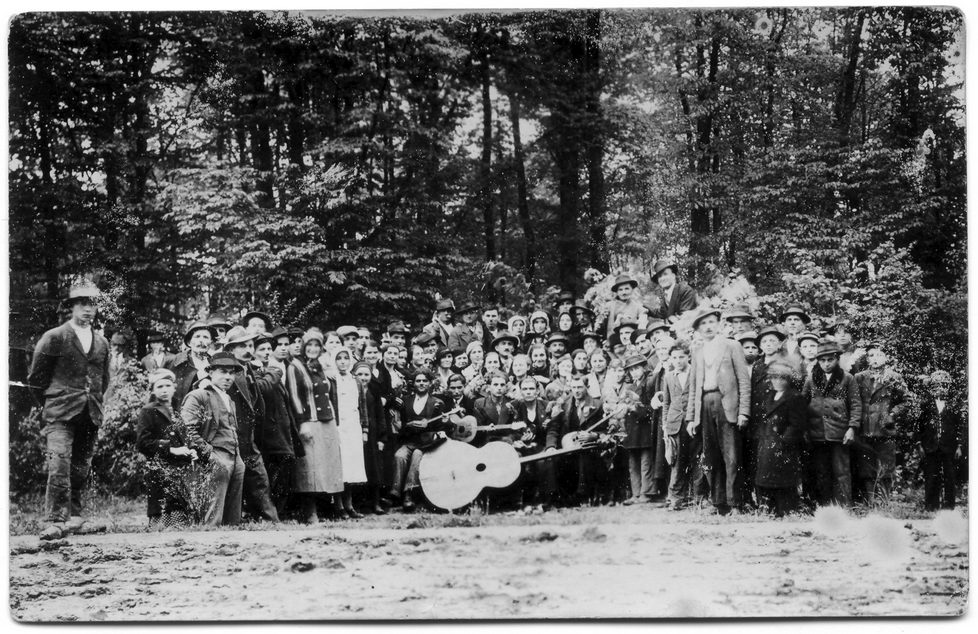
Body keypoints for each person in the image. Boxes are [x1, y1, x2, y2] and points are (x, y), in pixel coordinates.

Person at [28, 281, 111, 540]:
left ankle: (74, 518)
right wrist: (52, 403)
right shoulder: (55, 337)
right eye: (82, 304)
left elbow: (103, 380)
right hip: (59, 413)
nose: (88, 309)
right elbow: (36, 379)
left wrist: (94, 402)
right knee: (59, 464)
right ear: (71, 307)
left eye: (92, 304)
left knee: (80, 468)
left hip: (90, 413)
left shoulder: (102, 342)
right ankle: (55, 521)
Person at [684, 308, 751, 515]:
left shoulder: (732, 345)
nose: (708, 327)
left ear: (719, 323)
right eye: (703, 324)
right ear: (697, 329)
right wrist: (691, 417)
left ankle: (735, 503)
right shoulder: (697, 351)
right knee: (710, 456)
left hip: (727, 405)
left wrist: (744, 412)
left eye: (711, 322)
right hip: (705, 404)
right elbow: (694, 386)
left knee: (731, 456)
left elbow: (743, 380)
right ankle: (718, 502)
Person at [222, 326, 282, 523]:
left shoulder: (248, 369)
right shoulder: (227, 372)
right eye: (242, 346)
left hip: (249, 437)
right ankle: (234, 521)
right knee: (238, 481)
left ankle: (271, 521)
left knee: (259, 478)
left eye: (250, 345)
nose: (248, 350)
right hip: (232, 437)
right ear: (231, 349)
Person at [180, 352, 247, 526]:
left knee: (233, 513)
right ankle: (210, 534)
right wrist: (208, 454)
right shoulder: (199, 395)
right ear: (211, 372)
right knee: (213, 512)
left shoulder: (229, 399)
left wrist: (238, 458)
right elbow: (186, 429)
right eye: (223, 372)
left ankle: (231, 534)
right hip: (216, 454)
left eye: (231, 373)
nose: (228, 377)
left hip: (234, 455)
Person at [287, 329, 343, 524]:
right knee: (310, 468)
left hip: (327, 420)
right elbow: (294, 396)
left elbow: (329, 393)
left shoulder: (321, 366)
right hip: (309, 422)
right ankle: (310, 512)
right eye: (309, 345)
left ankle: (327, 509)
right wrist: (302, 422)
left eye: (317, 345)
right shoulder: (295, 366)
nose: (313, 349)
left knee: (328, 467)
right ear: (303, 346)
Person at [802, 340, 862, 508]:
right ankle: (824, 507)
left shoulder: (847, 378)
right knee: (821, 471)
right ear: (818, 361)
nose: (826, 364)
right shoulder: (811, 379)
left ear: (837, 359)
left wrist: (852, 428)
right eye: (822, 360)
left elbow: (856, 404)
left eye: (830, 360)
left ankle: (844, 506)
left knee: (841, 471)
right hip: (817, 433)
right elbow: (802, 404)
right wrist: (804, 429)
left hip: (839, 433)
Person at [135, 368, 197, 527]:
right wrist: (170, 449)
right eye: (160, 386)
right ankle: (159, 531)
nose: (164, 390)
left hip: (178, 469)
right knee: (161, 509)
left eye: (168, 386)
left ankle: (178, 531)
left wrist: (192, 449)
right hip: (158, 468)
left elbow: (184, 436)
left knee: (179, 507)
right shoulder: (148, 411)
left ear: (174, 388)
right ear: (153, 390)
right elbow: (142, 443)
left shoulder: (175, 411)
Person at [254, 330, 304, 520]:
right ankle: (271, 514)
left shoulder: (269, 370)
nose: (267, 352)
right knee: (272, 473)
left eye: (269, 348)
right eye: (262, 349)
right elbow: (263, 388)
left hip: (282, 430)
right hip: (268, 433)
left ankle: (280, 513)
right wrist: (273, 372)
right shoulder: (257, 371)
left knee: (284, 472)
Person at [853, 343, 908, 505]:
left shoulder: (894, 377)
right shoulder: (859, 377)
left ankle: (885, 501)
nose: (875, 359)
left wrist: (892, 414)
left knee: (887, 467)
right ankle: (869, 501)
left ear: (886, 358)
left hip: (884, 429)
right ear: (867, 359)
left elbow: (907, 400)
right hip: (865, 428)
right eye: (871, 355)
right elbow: (853, 400)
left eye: (879, 355)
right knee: (866, 468)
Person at [391, 370, 451, 511]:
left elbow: (441, 427)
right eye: (418, 381)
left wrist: (438, 423)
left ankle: (409, 494)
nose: (422, 383)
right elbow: (400, 425)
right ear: (413, 383)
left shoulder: (437, 402)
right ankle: (394, 493)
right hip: (410, 441)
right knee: (399, 456)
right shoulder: (405, 401)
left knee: (417, 456)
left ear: (430, 383)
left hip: (427, 443)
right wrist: (408, 425)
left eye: (425, 381)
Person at [754, 361, 806, 517]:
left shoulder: (795, 397)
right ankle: (769, 509)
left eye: (782, 378)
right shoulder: (769, 396)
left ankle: (785, 509)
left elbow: (797, 424)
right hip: (767, 443)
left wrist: (784, 441)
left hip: (783, 447)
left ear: (788, 379)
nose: (777, 381)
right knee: (766, 478)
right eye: (774, 377)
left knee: (783, 480)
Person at [914, 370, 963, 511]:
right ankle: (931, 507)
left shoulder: (954, 405)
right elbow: (917, 426)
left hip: (949, 447)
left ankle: (949, 507)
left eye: (943, 386)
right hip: (930, 446)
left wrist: (959, 445)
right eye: (936, 386)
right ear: (931, 389)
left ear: (948, 388)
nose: (940, 389)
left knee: (950, 477)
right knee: (931, 476)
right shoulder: (925, 405)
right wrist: (919, 445)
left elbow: (960, 426)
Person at [333, 349, 368, 518]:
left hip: (353, 427)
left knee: (351, 468)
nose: (343, 362)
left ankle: (349, 505)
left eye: (346, 358)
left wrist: (365, 429)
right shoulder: (332, 380)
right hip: (338, 427)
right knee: (339, 467)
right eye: (339, 358)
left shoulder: (356, 381)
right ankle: (338, 505)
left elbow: (363, 406)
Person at [353, 360, 390, 514]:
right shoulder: (351, 390)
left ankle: (376, 502)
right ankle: (359, 503)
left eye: (366, 374)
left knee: (374, 468)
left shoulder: (374, 391)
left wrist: (382, 438)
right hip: (356, 432)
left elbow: (381, 416)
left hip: (373, 435)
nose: (363, 377)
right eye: (359, 374)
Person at [661, 341, 694, 510]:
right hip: (675, 424)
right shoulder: (668, 377)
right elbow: (666, 403)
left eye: (681, 357)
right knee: (677, 461)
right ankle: (674, 498)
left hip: (692, 422)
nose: (678, 361)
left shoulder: (695, 373)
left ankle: (695, 497)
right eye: (674, 358)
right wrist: (665, 425)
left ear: (688, 356)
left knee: (695, 459)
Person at [621, 354, 655, 505]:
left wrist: (636, 407)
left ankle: (646, 493)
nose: (634, 372)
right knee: (633, 463)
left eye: (637, 368)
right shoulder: (629, 387)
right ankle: (635, 493)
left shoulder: (649, 384)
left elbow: (652, 409)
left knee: (646, 463)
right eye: (631, 370)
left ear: (644, 368)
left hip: (645, 429)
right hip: (632, 431)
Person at [169, 321, 217, 408]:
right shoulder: (178, 362)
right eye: (197, 336)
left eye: (205, 337)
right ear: (189, 342)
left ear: (211, 342)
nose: (201, 340)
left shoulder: (215, 363)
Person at [649, 258, 698, 325]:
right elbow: (662, 313)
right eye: (659, 276)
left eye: (665, 274)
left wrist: (670, 320)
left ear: (673, 276)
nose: (663, 278)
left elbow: (685, 317)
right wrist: (644, 308)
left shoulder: (685, 290)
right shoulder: (664, 295)